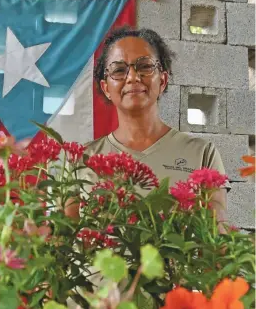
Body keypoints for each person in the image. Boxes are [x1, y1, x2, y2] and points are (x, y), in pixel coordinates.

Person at [65, 26, 228, 223]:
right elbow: (67, 242)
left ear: (163, 80)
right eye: (119, 70)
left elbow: (217, 238)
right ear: (106, 88)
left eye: (145, 66)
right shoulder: (81, 159)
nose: (133, 77)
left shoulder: (203, 153)